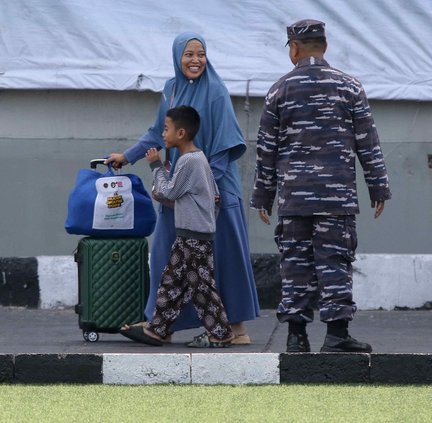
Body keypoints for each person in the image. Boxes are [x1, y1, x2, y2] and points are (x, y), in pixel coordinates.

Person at [105, 32, 259, 344]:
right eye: (188, 54)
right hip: (178, 189)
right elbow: (157, 132)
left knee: (223, 258)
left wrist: (208, 191)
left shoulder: (216, 92)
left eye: (200, 54)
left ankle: (237, 329)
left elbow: (225, 146)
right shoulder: (171, 89)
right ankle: (161, 325)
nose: (195, 60)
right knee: (166, 254)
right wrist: (128, 156)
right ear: (177, 57)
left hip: (215, 192)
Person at [250, 19, 392, 353]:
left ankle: (296, 337)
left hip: (293, 198)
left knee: (296, 263)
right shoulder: (349, 87)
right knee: (335, 262)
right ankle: (336, 335)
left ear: (294, 49)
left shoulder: (279, 90)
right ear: (324, 46)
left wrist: (262, 196)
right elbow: (367, 143)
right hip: (336, 198)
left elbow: (266, 150)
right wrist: (378, 188)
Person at [120, 106, 234, 347]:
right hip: (189, 234)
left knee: (201, 287)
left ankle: (221, 334)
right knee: (172, 282)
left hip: (194, 237)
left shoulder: (189, 161)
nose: (163, 134)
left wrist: (155, 166)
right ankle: (157, 329)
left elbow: (168, 191)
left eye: (166, 128)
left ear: (181, 133)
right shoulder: (197, 159)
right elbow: (202, 197)